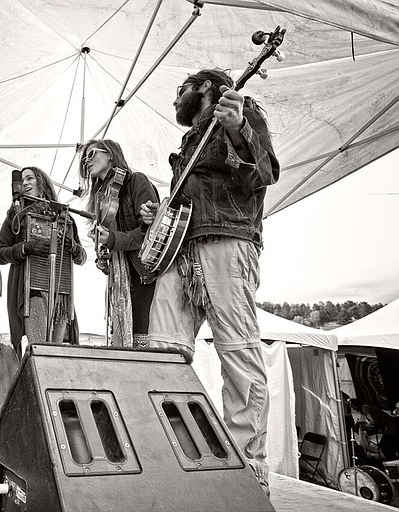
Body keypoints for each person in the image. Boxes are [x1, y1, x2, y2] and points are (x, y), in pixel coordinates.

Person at [138, 68, 280, 496]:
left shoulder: (241, 112)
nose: (175, 97)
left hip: (227, 243)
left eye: (181, 88)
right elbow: (198, 192)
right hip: (182, 248)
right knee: (159, 352)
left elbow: (265, 173)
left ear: (203, 86)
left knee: (237, 354)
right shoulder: (190, 140)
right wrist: (160, 215)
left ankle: (247, 469)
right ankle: (178, 453)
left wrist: (239, 129)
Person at [0, 166, 86, 357]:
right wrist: (26, 248)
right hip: (32, 293)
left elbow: (82, 258)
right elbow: (0, 254)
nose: (25, 183)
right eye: (23, 180)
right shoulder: (17, 216)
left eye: (30, 178)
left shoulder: (64, 217)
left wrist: (73, 247)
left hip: (61, 297)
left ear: (41, 182)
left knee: (56, 355)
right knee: (41, 353)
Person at [80, 140, 159, 347]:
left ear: (110, 155)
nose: (86, 161)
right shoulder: (102, 198)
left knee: (143, 346)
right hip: (123, 284)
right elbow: (116, 245)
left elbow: (151, 235)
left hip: (144, 278)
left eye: (91, 154)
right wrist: (104, 255)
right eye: (84, 159)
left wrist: (113, 239)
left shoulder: (136, 181)